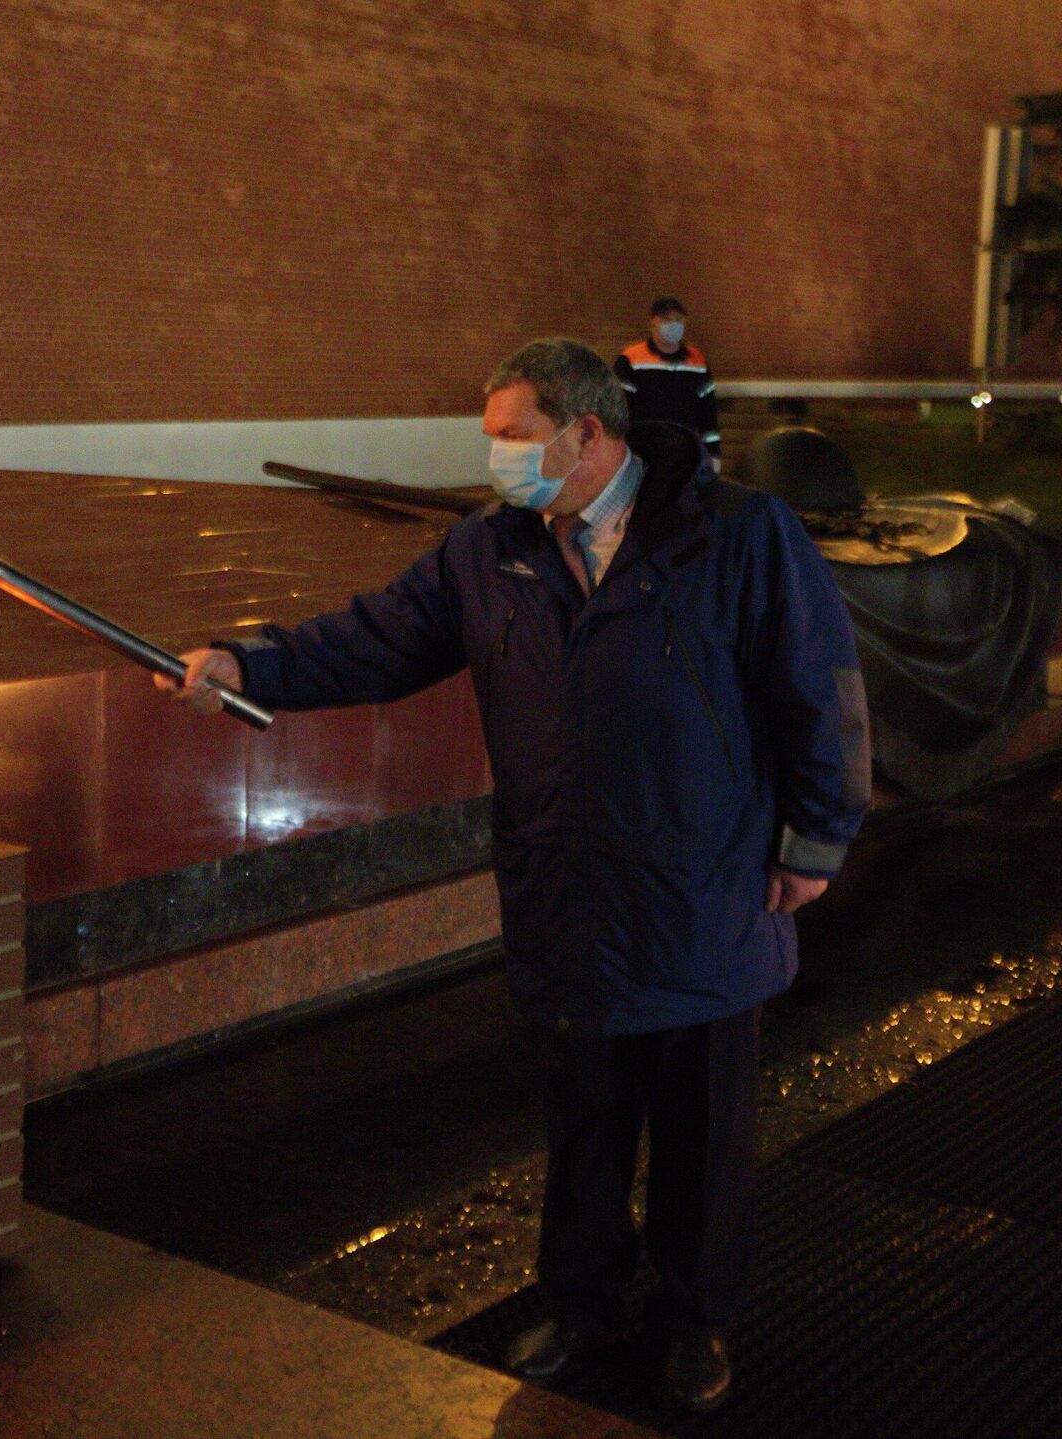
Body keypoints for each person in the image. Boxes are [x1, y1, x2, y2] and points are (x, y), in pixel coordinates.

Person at [160, 339, 869, 1413]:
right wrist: (250, 661)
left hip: (705, 892)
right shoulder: (489, 555)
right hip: (570, 895)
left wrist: (815, 845)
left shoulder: (735, 535)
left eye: (510, 435)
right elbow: (375, 641)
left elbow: (820, 692)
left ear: (587, 434)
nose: (493, 457)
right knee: (583, 1123)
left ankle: (694, 1320)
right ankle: (582, 1302)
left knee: (702, 1136)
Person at [615, 297, 721, 470]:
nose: (673, 324)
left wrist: (714, 454)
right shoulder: (631, 359)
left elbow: (708, 414)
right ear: (653, 323)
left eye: (678, 320)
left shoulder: (697, 362)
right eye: (666, 319)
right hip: (644, 452)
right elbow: (618, 409)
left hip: (685, 452)